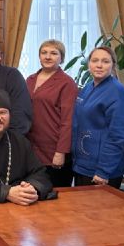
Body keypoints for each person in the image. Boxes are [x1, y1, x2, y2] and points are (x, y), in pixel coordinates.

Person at [71, 47, 124, 189]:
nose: (99, 65)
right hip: (82, 164)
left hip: (101, 170)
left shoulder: (118, 93)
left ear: (113, 65)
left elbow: (118, 136)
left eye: (105, 61)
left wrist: (104, 170)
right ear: (89, 64)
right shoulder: (87, 87)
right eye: (95, 61)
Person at [26, 40, 78, 187]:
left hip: (54, 151)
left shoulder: (67, 83)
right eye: (44, 53)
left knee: (57, 196)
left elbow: (68, 121)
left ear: (62, 58)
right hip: (31, 149)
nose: (48, 57)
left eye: (54, 53)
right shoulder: (30, 80)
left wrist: (61, 152)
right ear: (39, 56)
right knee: (32, 193)